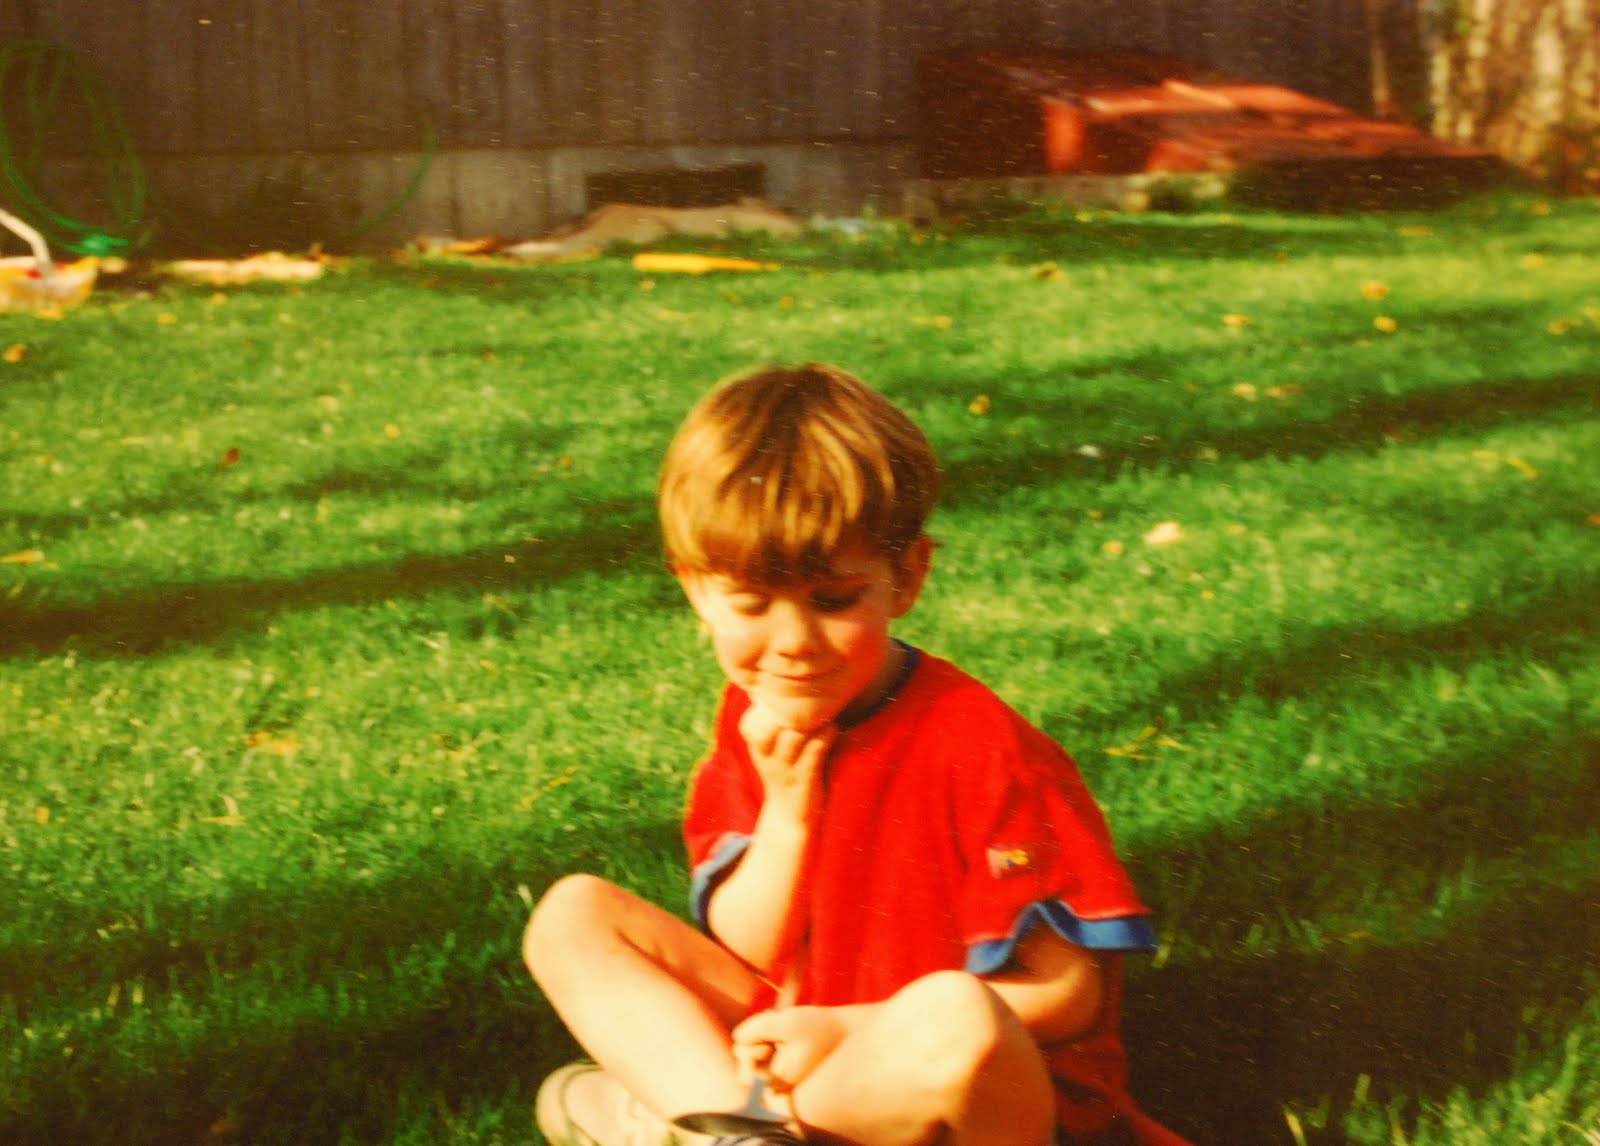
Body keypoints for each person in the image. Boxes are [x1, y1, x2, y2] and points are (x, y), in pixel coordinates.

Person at [525, 364, 1189, 1146]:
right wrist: (789, 818)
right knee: (574, 914)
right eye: (749, 603)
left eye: (832, 600)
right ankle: (728, 1131)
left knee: (955, 1010)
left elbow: (1065, 992)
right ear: (695, 590)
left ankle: (671, 1116)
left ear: (906, 577)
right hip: (822, 1053)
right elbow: (752, 944)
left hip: (981, 1091)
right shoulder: (759, 717)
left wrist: (849, 1027)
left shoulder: (983, 747)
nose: (793, 643)